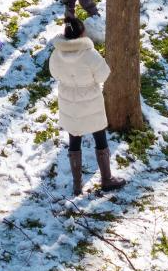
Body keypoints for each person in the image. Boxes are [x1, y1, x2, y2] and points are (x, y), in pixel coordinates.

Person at [49, 15, 126, 195]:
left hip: (68, 101)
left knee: (74, 139)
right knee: (100, 136)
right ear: (82, 32)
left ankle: (77, 184)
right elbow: (103, 75)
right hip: (90, 100)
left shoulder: (56, 53)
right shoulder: (89, 54)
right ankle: (106, 179)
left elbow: (54, 73)